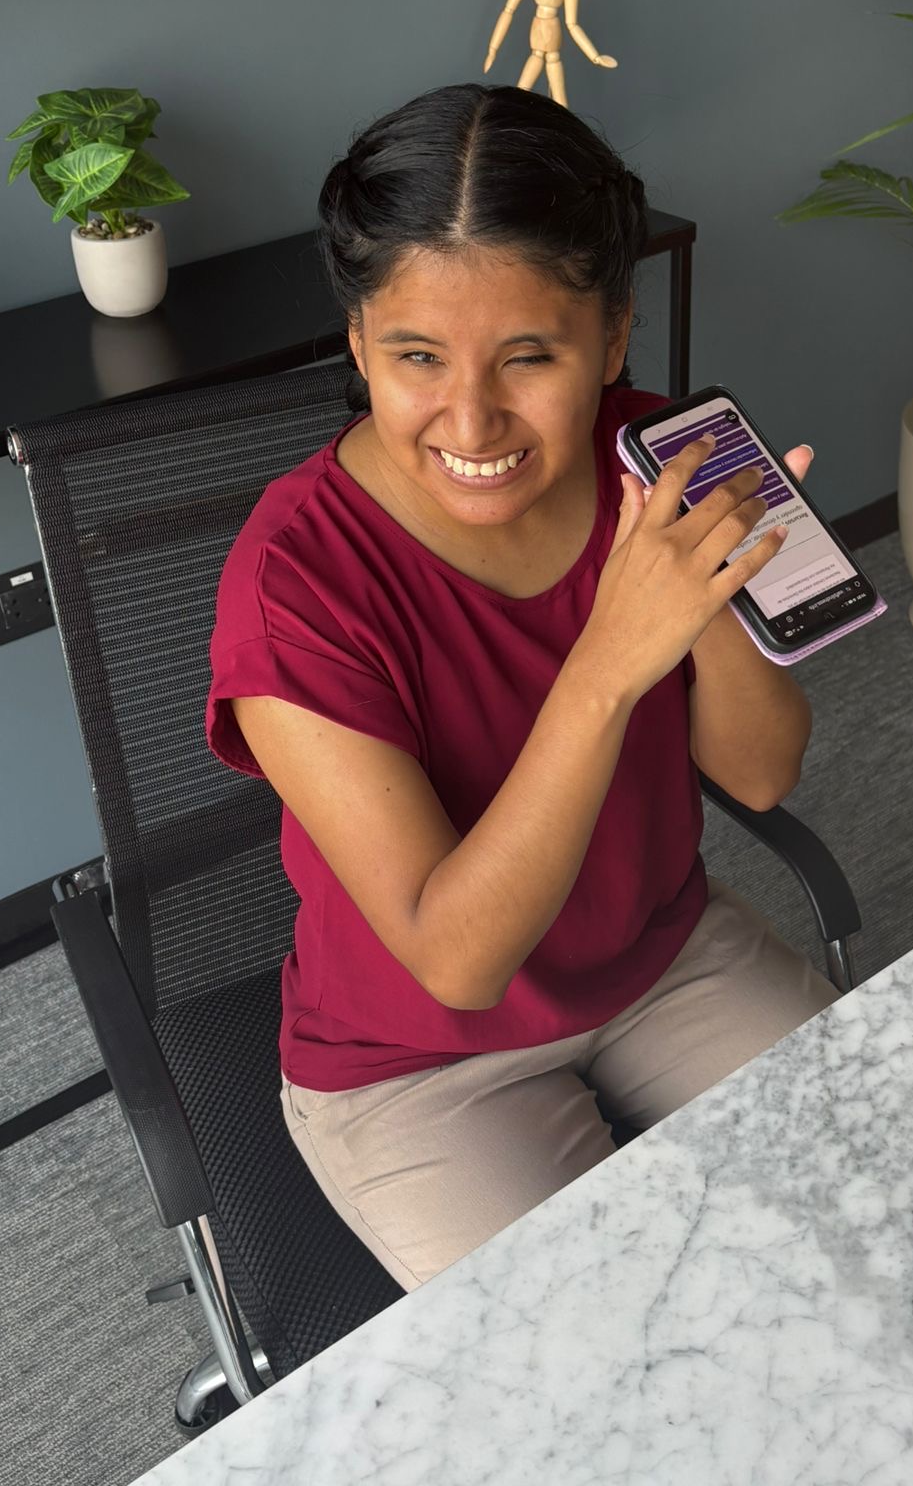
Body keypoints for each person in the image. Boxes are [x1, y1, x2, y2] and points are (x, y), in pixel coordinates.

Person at [204, 82, 838, 1292]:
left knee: (867, 1180)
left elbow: (761, 769)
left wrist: (705, 602)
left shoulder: (665, 455)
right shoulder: (294, 579)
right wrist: (607, 662)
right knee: (594, 1344)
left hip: (663, 956)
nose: (473, 416)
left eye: (532, 355)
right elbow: (457, 960)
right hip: (419, 1058)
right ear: (358, 346)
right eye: (417, 356)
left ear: (612, 336)